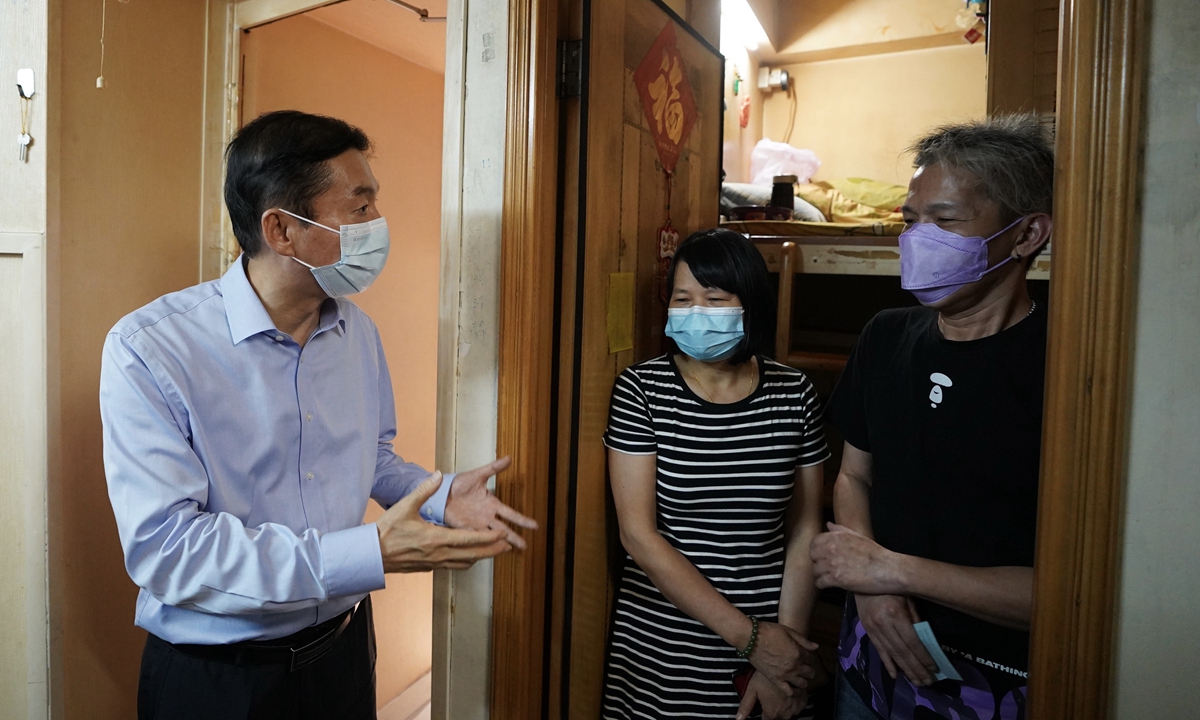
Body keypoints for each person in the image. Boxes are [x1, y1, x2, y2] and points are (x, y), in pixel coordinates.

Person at [100, 110, 537, 720]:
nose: (378, 224)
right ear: (281, 229)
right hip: (220, 679)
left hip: (343, 654)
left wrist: (439, 495)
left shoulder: (357, 333)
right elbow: (168, 549)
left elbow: (370, 458)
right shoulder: (151, 349)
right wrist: (366, 552)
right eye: (359, 207)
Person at [809, 114, 1054, 720]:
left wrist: (888, 574)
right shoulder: (886, 336)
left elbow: (1068, 591)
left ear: (1027, 235)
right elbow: (854, 476)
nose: (919, 239)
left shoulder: (1066, 370)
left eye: (945, 221)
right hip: (871, 649)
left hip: (997, 679)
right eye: (911, 220)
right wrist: (871, 593)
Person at [600, 228, 830, 720]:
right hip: (666, 644)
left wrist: (784, 651)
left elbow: (805, 526)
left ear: (750, 303)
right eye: (682, 299)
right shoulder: (641, 390)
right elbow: (638, 536)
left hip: (776, 633)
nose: (695, 311)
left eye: (714, 298)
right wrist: (751, 639)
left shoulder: (796, 392)